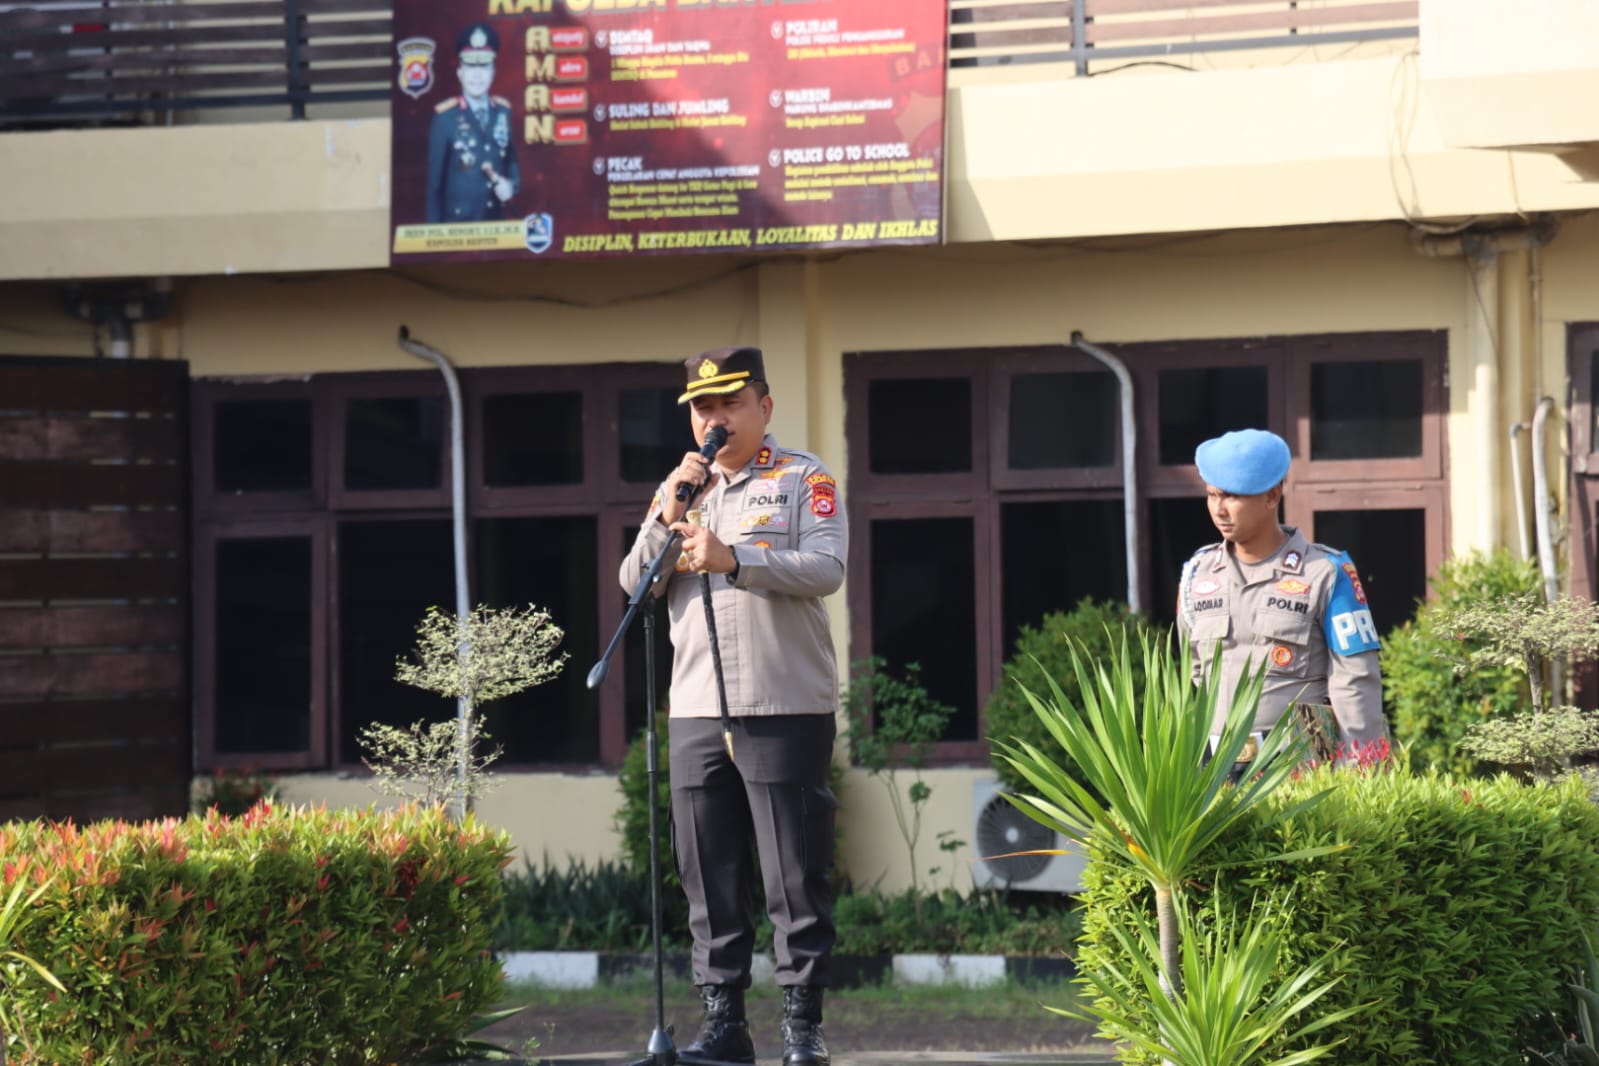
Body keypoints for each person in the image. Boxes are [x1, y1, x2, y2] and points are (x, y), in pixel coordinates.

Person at [618, 347, 845, 1066]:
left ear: (764, 408)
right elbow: (634, 584)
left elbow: (827, 568)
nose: (714, 419)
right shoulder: (679, 488)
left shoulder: (802, 478)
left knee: (793, 876)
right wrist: (668, 512)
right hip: (695, 707)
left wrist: (736, 559)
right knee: (707, 875)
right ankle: (725, 1028)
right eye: (702, 408)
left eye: (729, 404)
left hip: (782, 702)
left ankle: (802, 1031)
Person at [1177, 428, 1387, 767]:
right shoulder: (1197, 574)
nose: (1219, 510)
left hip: (1296, 767)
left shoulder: (1326, 572)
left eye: (1232, 497)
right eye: (1212, 495)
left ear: (1272, 496)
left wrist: (1359, 771)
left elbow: (1356, 681)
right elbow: (1195, 669)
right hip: (1215, 769)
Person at [425, 22, 520, 224]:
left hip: (495, 226)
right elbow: (434, 186)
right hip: (458, 229)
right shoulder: (445, 118)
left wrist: (511, 185)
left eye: (484, 66)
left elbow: (511, 161)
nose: (477, 75)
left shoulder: (503, 112)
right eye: (470, 66)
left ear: (493, 71)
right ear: (460, 72)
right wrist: (433, 236)